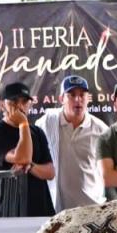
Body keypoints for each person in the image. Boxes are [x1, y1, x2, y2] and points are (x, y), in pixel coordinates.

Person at [34, 74, 109, 212]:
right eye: (72, 95)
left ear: (88, 98)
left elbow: (108, 172)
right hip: (54, 211)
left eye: (82, 95)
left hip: (90, 209)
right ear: (62, 98)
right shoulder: (46, 123)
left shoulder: (101, 130)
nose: (78, 100)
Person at [0, 81, 55, 217]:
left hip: (42, 210)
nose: (20, 106)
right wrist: (23, 123)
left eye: (24, 101)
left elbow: (50, 172)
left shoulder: (37, 132)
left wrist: (31, 166)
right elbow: (22, 157)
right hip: (11, 213)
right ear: (2, 105)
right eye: (14, 101)